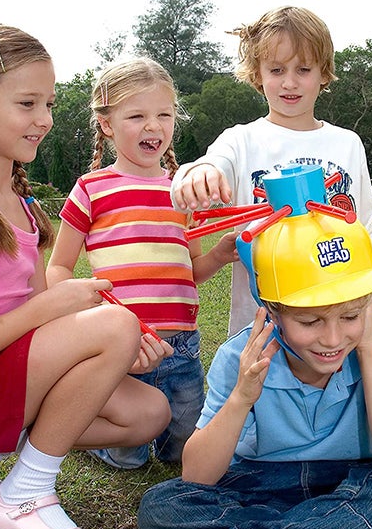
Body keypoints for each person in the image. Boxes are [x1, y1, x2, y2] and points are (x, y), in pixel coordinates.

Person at [137, 165, 372, 529]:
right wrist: (241, 398)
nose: (333, 338)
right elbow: (197, 475)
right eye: (309, 320)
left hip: (356, 479)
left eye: (351, 316)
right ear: (271, 309)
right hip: (262, 483)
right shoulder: (239, 354)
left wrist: (368, 349)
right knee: (161, 508)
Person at [0, 24, 171, 529]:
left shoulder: (23, 206)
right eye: (26, 102)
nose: (44, 119)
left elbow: (37, 325)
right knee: (115, 321)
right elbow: (32, 316)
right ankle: (23, 495)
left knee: (148, 412)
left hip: (2, 382)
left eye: (48, 102)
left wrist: (112, 354)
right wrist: (56, 309)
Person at [46, 57, 237, 469]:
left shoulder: (181, 192)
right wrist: (95, 311)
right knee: (127, 459)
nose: (154, 126)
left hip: (182, 346)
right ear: (107, 124)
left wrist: (221, 254)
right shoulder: (92, 189)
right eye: (137, 116)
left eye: (163, 115)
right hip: (123, 348)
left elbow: (192, 271)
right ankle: (93, 439)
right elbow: (58, 268)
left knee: (181, 451)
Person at [170, 5, 372, 335]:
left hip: (338, 327)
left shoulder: (347, 143)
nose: (289, 83)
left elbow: (364, 227)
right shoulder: (240, 140)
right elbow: (196, 178)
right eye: (276, 70)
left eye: (303, 69)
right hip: (262, 327)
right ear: (257, 74)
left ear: (323, 73)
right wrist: (198, 174)